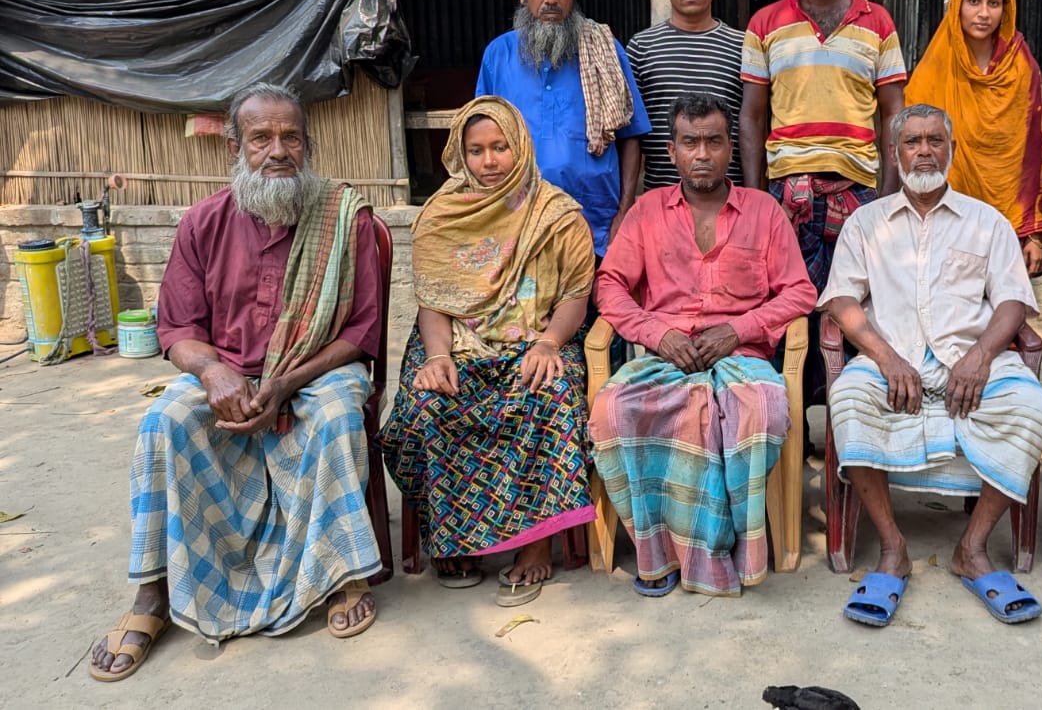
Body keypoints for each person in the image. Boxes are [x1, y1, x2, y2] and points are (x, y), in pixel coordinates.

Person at [89, 84, 383, 682]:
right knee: (164, 420)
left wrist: (287, 381)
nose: (278, 151)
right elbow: (177, 329)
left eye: (291, 137)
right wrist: (213, 371)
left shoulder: (344, 219)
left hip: (317, 369)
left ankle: (338, 574)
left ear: (307, 144)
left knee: (335, 414)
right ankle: (152, 594)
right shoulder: (203, 223)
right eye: (261, 138)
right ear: (234, 146)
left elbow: (361, 331)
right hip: (226, 372)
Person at [820, 104, 1042, 628]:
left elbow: (1013, 301)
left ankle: (972, 548)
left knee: (1032, 406)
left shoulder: (987, 222)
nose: (923, 151)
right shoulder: (865, 223)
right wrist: (885, 356)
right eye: (912, 142)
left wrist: (981, 354)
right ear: (894, 153)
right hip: (891, 358)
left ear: (951, 149)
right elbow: (842, 300)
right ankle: (893, 548)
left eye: (934, 141)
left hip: (970, 359)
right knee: (848, 399)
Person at [590, 94, 817, 597]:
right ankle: (658, 552)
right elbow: (610, 286)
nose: (702, 154)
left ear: (730, 148)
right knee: (613, 410)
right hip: (666, 356)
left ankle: (729, 549)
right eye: (690, 142)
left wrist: (740, 329)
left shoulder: (763, 211)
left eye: (713, 142)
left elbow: (800, 291)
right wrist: (658, 334)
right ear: (671, 151)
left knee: (762, 407)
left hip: (741, 357)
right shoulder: (647, 212)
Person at [379, 97, 596, 607]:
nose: (489, 160)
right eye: (476, 150)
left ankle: (535, 542)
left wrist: (549, 343)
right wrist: (437, 357)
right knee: (425, 407)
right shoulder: (440, 216)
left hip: (537, 338)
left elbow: (575, 294)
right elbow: (433, 302)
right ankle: (453, 539)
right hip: (455, 343)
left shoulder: (557, 215)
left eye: (500, 147)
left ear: (520, 146)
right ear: (460, 153)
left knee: (550, 397)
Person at [740, 0, 907, 289]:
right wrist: (756, 199)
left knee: (856, 302)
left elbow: (894, 114)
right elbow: (752, 116)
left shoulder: (879, 23)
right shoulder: (764, 23)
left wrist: (887, 197)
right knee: (788, 303)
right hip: (788, 191)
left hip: (859, 191)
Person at [476, 0, 651, 256]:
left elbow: (631, 137)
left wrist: (624, 214)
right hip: (517, 225)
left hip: (596, 224)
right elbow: (479, 141)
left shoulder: (605, 50)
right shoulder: (497, 56)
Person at [904, 0, 1042, 275]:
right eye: (974, 1)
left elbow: (1032, 154)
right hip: (942, 225)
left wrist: (1033, 233)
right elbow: (914, 152)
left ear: (1005, 9)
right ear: (958, 4)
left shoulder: (1021, 67)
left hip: (1008, 227)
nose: (984, 13)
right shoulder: (934, 69)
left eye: (993, 3)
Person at [627, 0, 746, 190]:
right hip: (660, 201)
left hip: (729, 202)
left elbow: (753, 128)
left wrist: (753, 197)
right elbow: (631, 135)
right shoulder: (641, 48)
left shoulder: (743, 47)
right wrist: (627, 202)